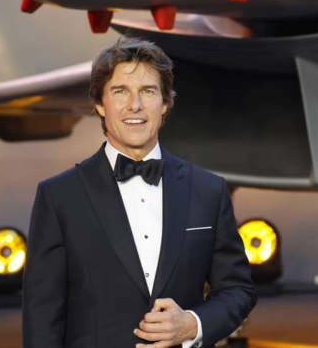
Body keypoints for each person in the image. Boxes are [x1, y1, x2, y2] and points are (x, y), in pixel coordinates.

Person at [22, 37, 256, 348]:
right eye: (120, 91)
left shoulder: (208, 189)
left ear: (165, 103)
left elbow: (238, 290)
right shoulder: (58, 197)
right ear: (100, 104)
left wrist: (192, 325)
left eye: (148, 91)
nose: (135, 105)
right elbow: (41, 317)